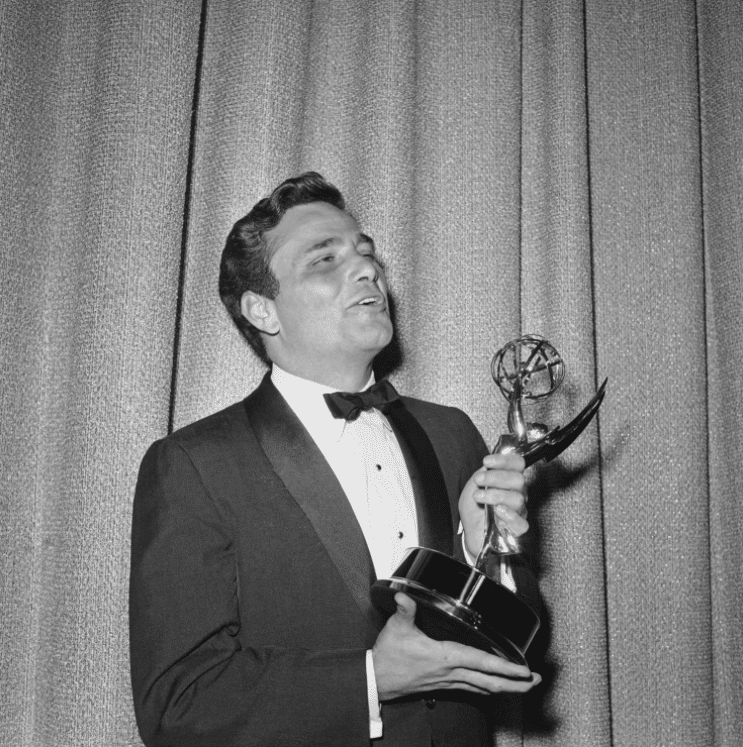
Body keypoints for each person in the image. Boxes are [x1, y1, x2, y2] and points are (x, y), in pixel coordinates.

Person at [129, 172, 541, 747]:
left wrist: (482, 554)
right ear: (262, 310)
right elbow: (178, 706)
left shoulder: (452, 432)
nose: (367, 268)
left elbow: (519, 649)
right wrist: (370, 679)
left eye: (366, 252)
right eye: (325, 259)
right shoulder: (193, 465)